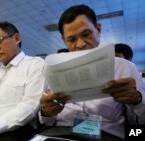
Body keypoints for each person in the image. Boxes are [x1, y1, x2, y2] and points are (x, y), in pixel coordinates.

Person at [39, 4, 145, 140]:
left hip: (106, 135)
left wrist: (137, 100)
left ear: (98, 29)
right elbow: (46, 121)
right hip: (60, 134)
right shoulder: (53, 70)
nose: (80, 44)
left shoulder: (125, 68)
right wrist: (46, 112)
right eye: (71, 39)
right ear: (64, 41)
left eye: (86, 34)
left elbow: (140, 124)